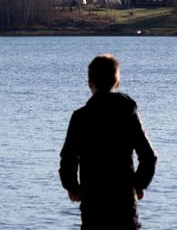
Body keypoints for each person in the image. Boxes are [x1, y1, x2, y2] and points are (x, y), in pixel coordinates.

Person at [59, 53, 158, 229]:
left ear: (90, 83)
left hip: (94, 202)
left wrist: (72, 186)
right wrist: (139, 184)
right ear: (117, 83)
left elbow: (69, 158)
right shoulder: (128, 114)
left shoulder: (81, 117)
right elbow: (148, 156)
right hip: (124, 201)